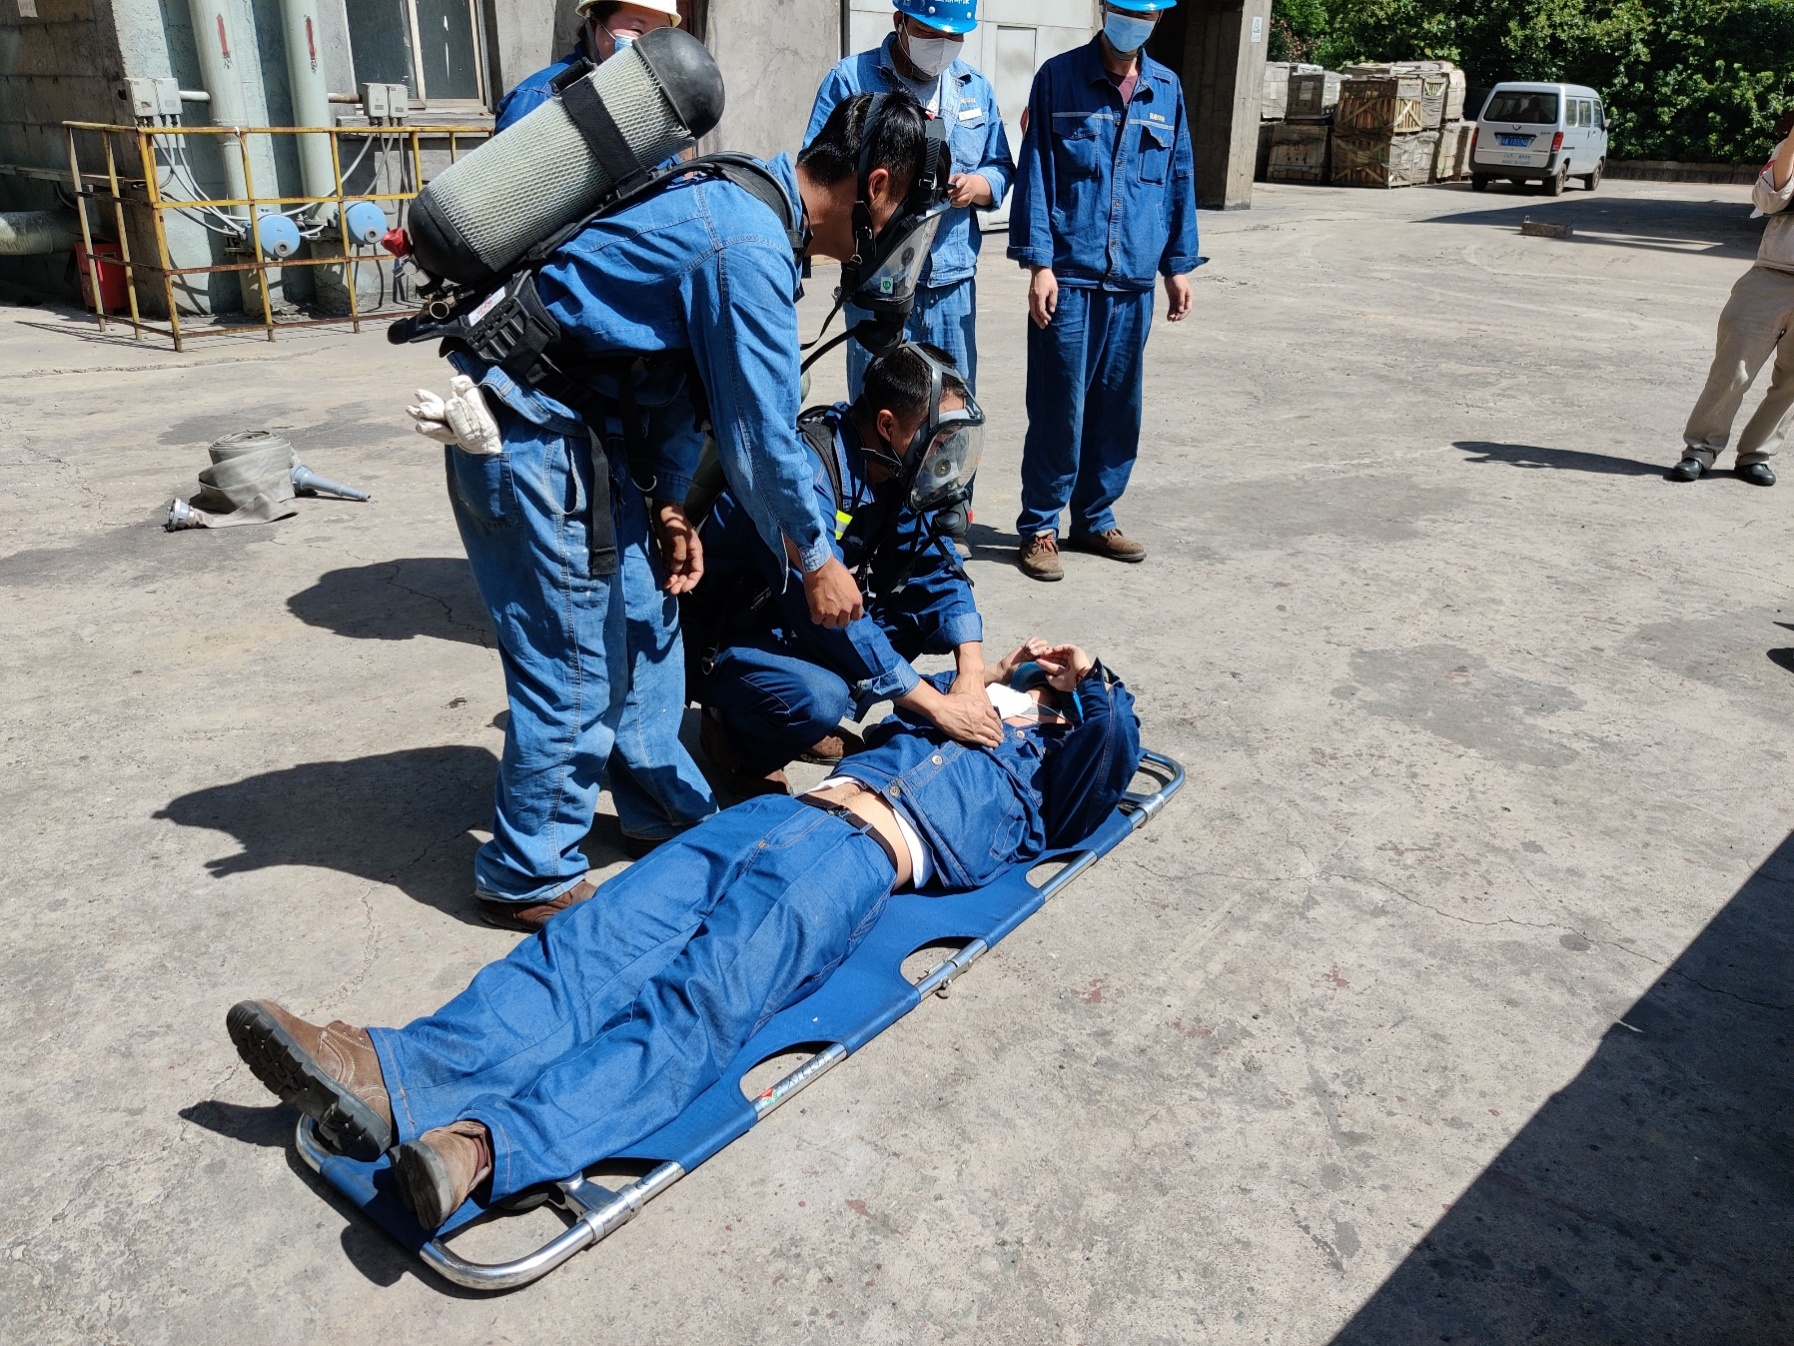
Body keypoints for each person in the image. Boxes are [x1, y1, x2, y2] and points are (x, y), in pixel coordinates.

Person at [226, 638, 1141, 1229]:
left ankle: (486, 1147)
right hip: (779, 814)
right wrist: (981, 679)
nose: (1037, 668)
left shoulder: (1049, 775)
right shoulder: (958, 700)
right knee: (586, 944)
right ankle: (389, 1073)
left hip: (854, 856)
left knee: (696, 1002)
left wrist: (1090, 679)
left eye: (1052, 682)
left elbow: (1111, 758)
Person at [406, 94, 938, 931]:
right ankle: (527, 871)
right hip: (532, 437)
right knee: (576, 661)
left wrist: (664, 503)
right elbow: (760, 436)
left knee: (648, 622)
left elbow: (665, 382)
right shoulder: (748, 245)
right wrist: (817, 557)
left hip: (592, 437)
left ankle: (660, 806)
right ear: (876, 186)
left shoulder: (744, 199)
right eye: (904, 211)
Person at [693, 343, 999, 795]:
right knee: (821, 698)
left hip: (788, 622)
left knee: (915, 618)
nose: (943, 452)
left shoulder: (890, 465)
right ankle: (737, 737)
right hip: (725, 635)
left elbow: (936, 566)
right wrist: (938, 707)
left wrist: (971, 670)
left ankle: (789, 714)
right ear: (888, 425)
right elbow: (834, 623)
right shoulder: (806, 477)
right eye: (937, 439)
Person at [1006, 0, 1199, 581]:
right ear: (1104, 8)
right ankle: (1040, 526)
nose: (1133, 21)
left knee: (1118, 409)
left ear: (1158, 20)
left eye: (1145, 13)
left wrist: (1178, 265)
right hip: (1069, 276)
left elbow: (1179, 176)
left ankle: (1094, 518)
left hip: (1133, 279)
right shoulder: (1059, 78)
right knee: (1059, 408)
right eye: (1124, 9)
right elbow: (1037, 170)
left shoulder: (1166, 88)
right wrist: (1039, 264)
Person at [804, 1, 1013, 419]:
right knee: (877, 415)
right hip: (876, 285)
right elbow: (816, 174)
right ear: (899, 21)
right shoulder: (851, 80)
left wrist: (979, 186)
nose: (942, 44)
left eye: (954, 36)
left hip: (951, 286)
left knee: (950, 415)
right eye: (930, 33)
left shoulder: (975, 88)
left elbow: (1000, 166)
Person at [1671, 111, 1794, 487]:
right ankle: (1700, 450)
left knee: (1792, 382)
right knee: (1732, 370)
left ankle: (1756, 454)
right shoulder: (1788, 148)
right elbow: (1767, 199)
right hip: (1772, 276)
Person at [493, 0, 683, 134]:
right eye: (637, 30)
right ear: (594, 24)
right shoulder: (540, 98)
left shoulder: (652, 97)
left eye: (658, 35)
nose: (648, 44)